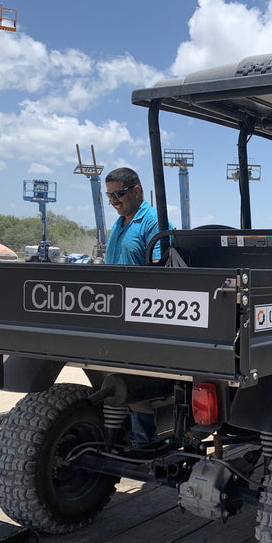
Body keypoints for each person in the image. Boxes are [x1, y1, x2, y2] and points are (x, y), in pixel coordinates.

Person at [103, 168, 160, 446]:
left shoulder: (152, 222)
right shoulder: (120, 222)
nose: (113, 201)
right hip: (112, 311)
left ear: (136, 191)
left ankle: (144, 442)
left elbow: (161, 271)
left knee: (135, 380)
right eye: (109, 196)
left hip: (139, 314)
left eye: (118, 194)